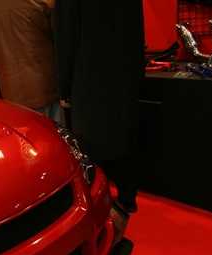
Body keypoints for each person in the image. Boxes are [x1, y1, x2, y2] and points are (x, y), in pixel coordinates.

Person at [54, 0, 145, 213]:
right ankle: (128, 196)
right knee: (126, 134)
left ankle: (98, 202)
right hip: (125, 74)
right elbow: (137, 32)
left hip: (88, 77)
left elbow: (65, 40)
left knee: (91, 144)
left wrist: (64, 88)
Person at [0, 0, 60, 122]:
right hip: (47, 88)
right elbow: (59, 42)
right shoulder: (43, 2)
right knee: (53, 132)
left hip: (11, 95)